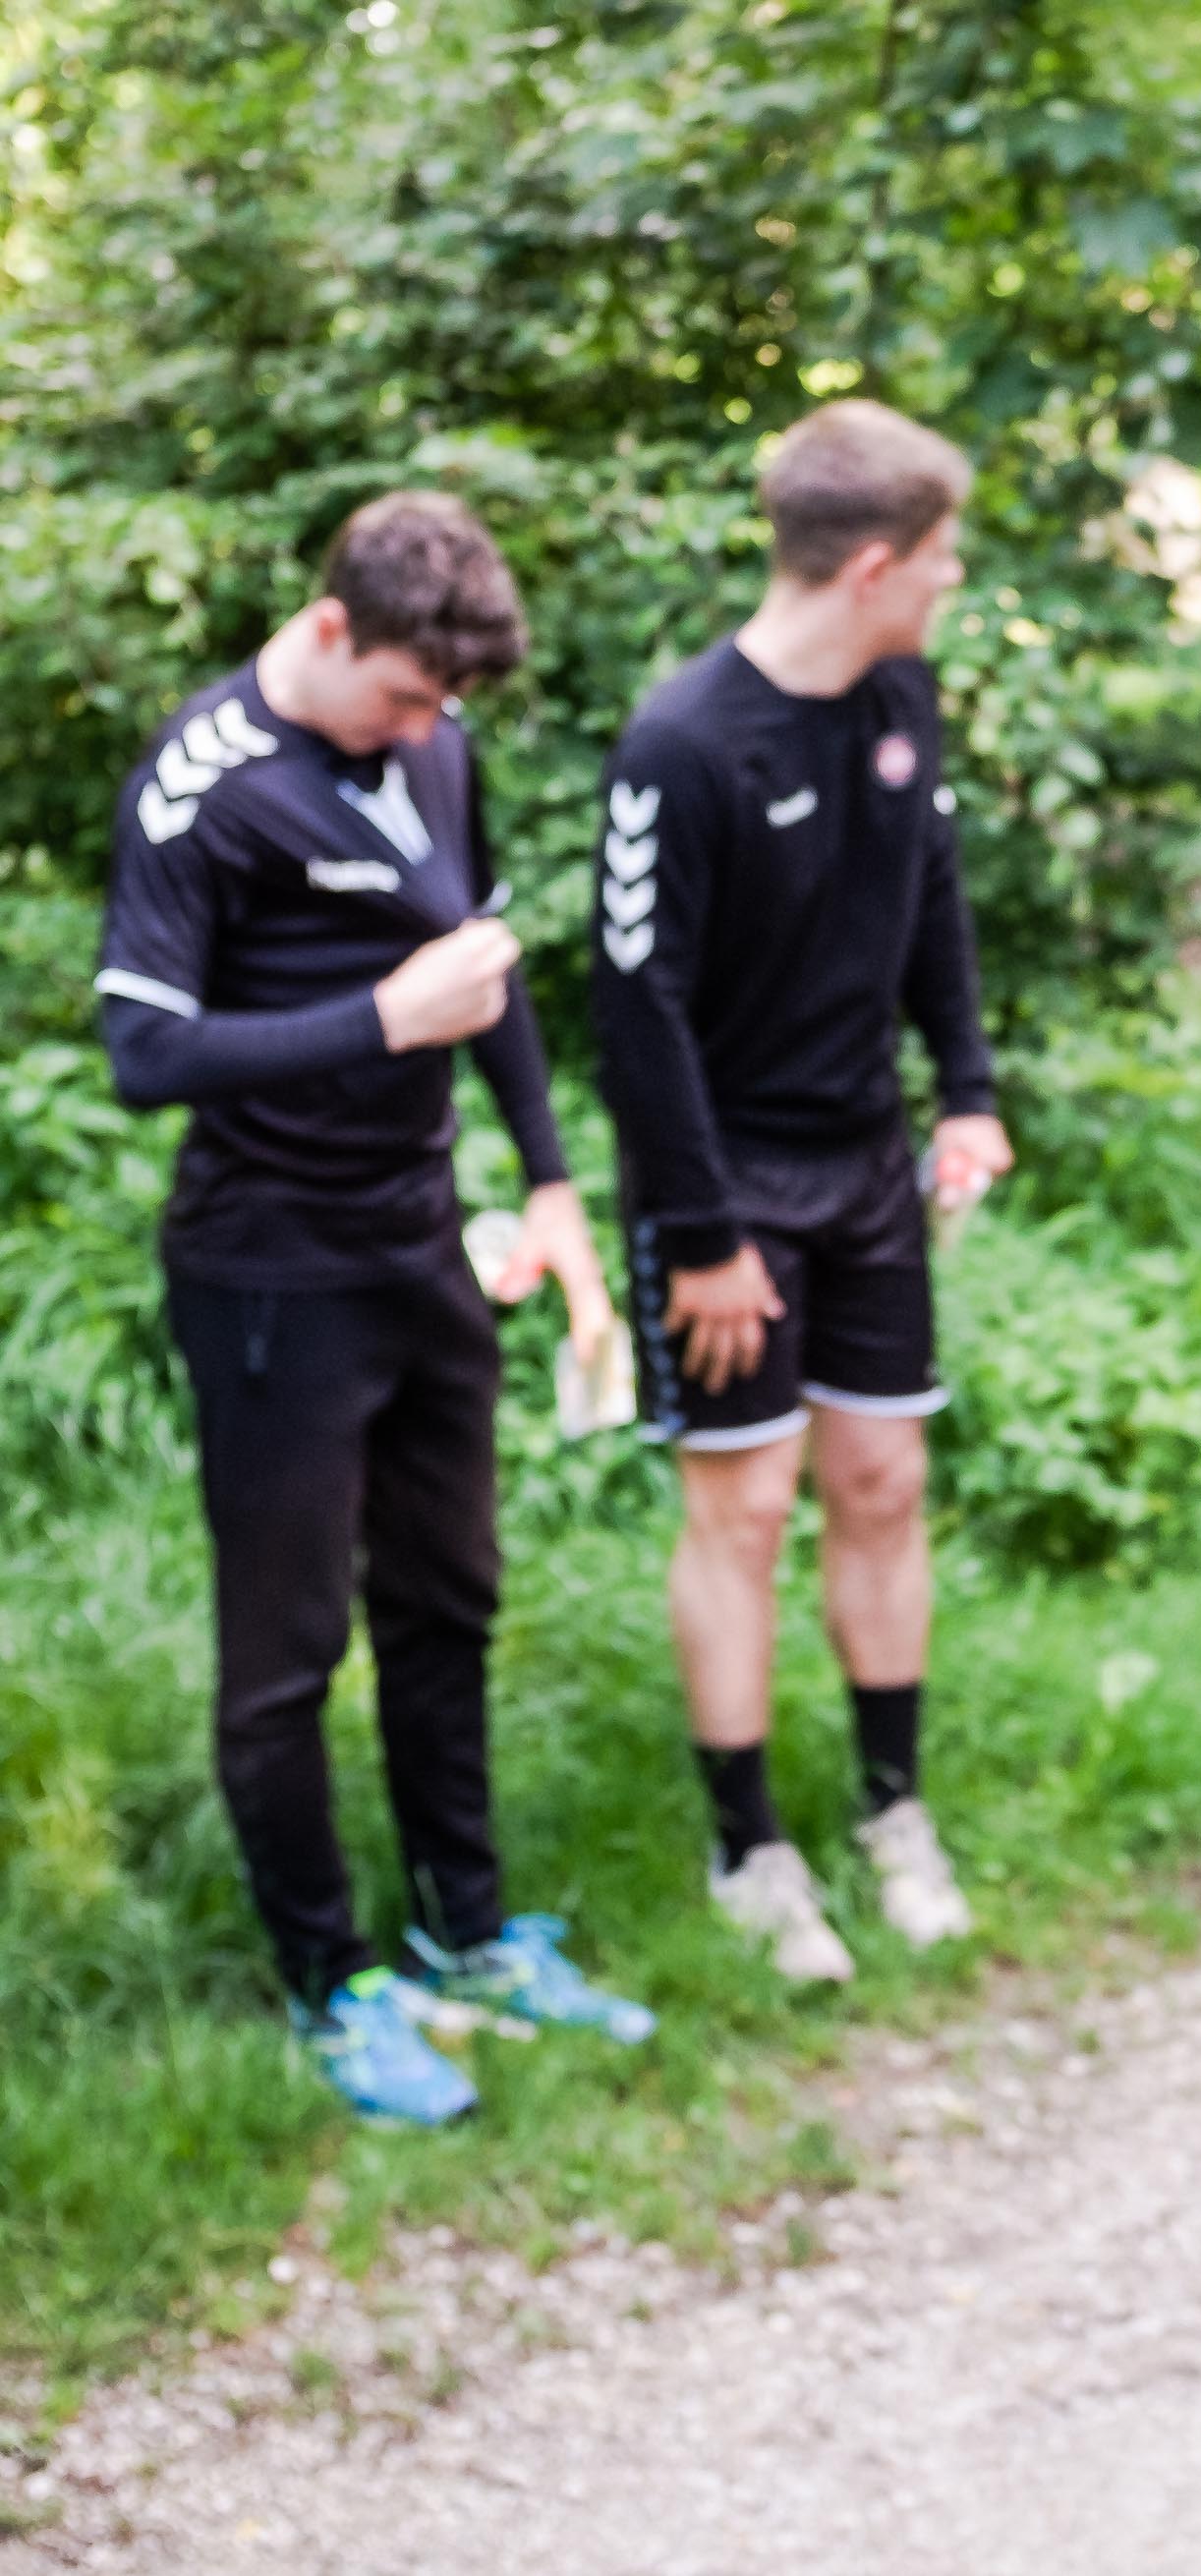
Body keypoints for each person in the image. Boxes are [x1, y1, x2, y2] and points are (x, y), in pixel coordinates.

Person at [98, 491, 655, 2125]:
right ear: (330, 628)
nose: (432, 728)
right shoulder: (202, 786)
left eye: (447, 704)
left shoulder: (436, 742)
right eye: (410, 696)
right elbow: (145, 1056)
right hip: (268, 1272)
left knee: (448, 1600)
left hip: (424, 1250)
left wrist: (550, 1187)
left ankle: (465, 1933)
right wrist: (378, 1017)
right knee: (287, 1652)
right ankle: (332, 1980)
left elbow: (478, 970)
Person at [593, 400, 1011, 1983]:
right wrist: (701, 1241)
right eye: (947, 561)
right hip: (725, 1183)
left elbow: (933, 900)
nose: (952, 586)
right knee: (745, 1506)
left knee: (883, 1484)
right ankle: (748, 1845)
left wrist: (965, 1093)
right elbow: (635, 1015)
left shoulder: (901, 693)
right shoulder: (682, 742)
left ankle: (891, 1811)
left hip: (866, 1170)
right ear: (879, 563)